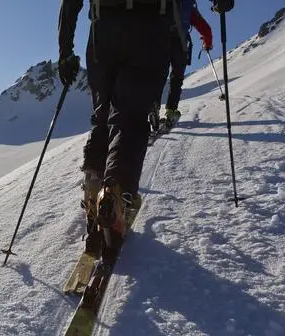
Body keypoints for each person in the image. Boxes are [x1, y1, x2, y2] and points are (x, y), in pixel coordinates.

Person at [58, 0, 233, 264]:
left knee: (103, 118)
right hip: (151, 30)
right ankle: (114, 197)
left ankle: (94, 193)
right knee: (130, 118)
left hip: (103, 30)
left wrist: (65, 50)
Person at [151, 2, 213, 132]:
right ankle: (171, 112)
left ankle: (153, 107)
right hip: (180, 44)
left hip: (160, 42)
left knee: (158, 76)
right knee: (176, 79)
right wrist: (207, 43)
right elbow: (205, 28)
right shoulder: (187, 4)